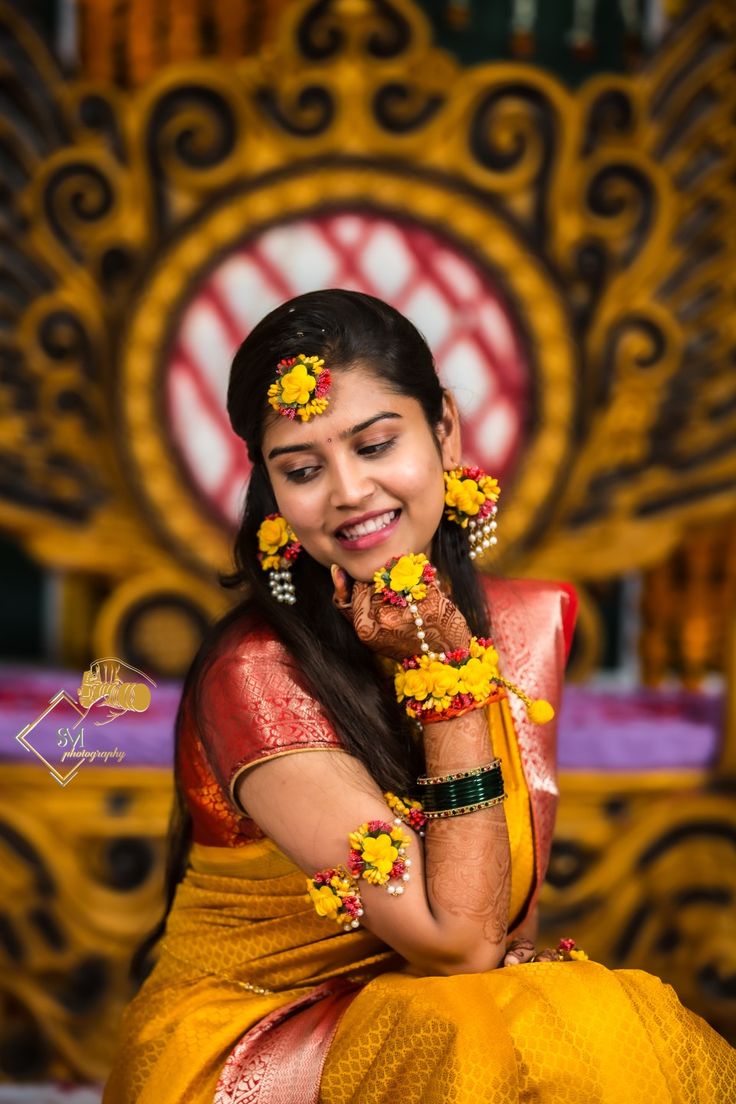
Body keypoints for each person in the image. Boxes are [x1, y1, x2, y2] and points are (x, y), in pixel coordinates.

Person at [103, 289, 735, 1104]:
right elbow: (461, 943)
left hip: (433, 1005)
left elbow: (503, 916)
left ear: (444, 429)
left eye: (375, 445)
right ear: (269, 485)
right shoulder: (256, 674)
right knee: (493, 1031)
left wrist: (450, 654)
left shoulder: (514, 622)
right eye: (301, 469)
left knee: (569, 1020)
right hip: (257, 1045)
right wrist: (449, 692)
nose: (348, 491)